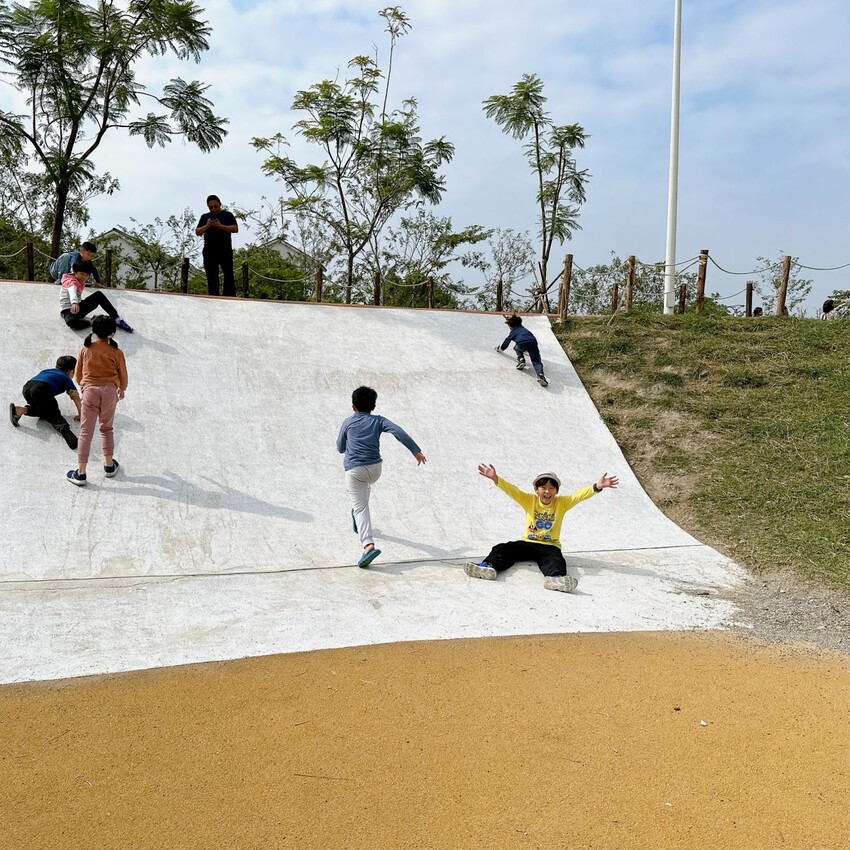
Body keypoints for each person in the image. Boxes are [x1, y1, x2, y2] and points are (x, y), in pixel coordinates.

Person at [464, 464, 619, 593]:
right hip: (527, 543)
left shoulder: (562, 503)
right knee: (503, 548)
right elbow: (513, 490)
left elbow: (578, 496)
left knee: (556, 559)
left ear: (556, 491)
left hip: (549, 546)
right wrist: (496, 479)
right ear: (536, 490)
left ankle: (555, 579)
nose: (547, 491)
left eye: (552, 488)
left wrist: (596, 487)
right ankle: (489, 567)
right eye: (543, 487)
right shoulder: (529, 500)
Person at [336, 386, 426, 567]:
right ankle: (356, 515)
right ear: (373, 406)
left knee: (361, 507)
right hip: (375, 469)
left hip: (355, 470)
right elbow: (398, 432)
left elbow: (340, 447)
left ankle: (368, 546)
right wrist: (416, 451)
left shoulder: (348, 422)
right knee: (362, 493)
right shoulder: (379, 421)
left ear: (353, 407)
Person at [66, 315, 128, 486]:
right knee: (107, 428)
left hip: (90, 391)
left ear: (93, 331)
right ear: (112, 333)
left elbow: (78, 376)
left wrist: (85, 386)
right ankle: (109, 466)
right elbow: (123, 375)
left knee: (86, 432)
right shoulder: (116, 352)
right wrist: (121, 388)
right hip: (109, 392)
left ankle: (81, 473)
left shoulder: (86, 350)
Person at [9, 355, 81, 449]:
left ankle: (20, 410)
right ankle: (67, 434)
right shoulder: (66, 378)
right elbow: (76, 397)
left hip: (27, 388)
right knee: (54, 415)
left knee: (43, 410)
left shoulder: (47, 371)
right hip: (42, 389)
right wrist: (81, 414)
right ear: (71, 371)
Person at [60, 258, 133, 332]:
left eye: (86, 275)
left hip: (78, 308)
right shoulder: (71, 282)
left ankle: (117, 318)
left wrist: (92, 284)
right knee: (71, 323)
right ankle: (92, 322)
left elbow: (82, 284)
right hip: (68, 311)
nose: (84, 277)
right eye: (81, 274)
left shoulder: (79, 280)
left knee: (98, 295)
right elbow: (72, 291)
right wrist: (74, 303)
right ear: (75, 272)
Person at [195, 194, 239, 297]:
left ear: (220, 204)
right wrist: (208, 225)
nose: (214, 209)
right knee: (211, 276)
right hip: (209, 249)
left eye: (216, 206)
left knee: (228, 275)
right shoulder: (205, 217)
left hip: (224, 249)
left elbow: (235, 228)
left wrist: (220, 226)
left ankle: (229, 296)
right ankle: (213, 296)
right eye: (211, 207)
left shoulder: (227, 215)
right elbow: (197, 231)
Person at [495, 313, 548, 387]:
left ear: (511, 325)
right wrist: (510, 319)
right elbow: (516, 321)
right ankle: (541, 375)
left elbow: (506, 342)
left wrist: (499, 349)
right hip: (533, 342)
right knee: (536, 361)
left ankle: (521, 359)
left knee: (516, 348)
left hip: (522, 344)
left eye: (508, 325)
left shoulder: (513, 332)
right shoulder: (523, 329)